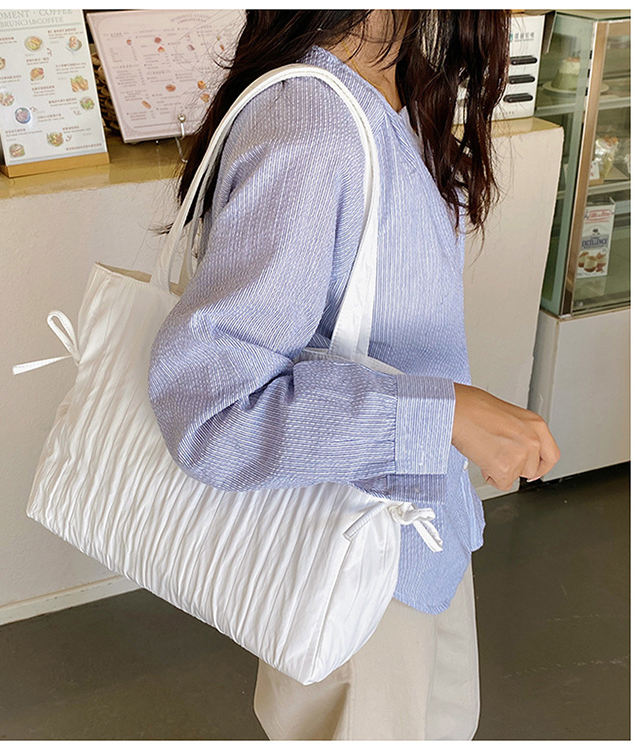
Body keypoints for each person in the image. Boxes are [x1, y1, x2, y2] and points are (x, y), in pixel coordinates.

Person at [148, 10, 560, 741]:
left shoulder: (394, 84)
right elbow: (214, 411)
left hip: (419, 533)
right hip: (354, 563)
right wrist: (443, 415)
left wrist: (442, 422)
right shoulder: (311, 126)